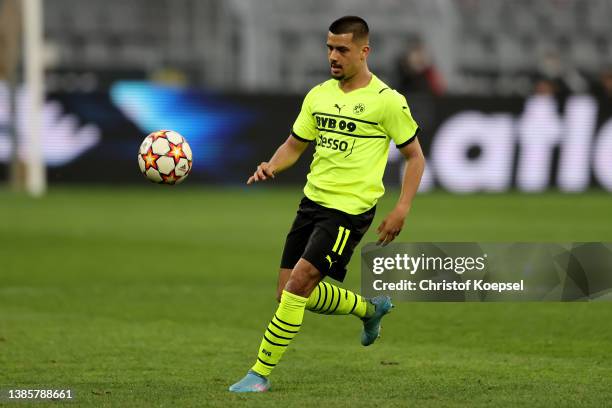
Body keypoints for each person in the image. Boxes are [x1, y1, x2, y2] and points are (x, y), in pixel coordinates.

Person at [229, 16, 425, 393]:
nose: (333, 56)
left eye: (342, 49)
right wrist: (272, 165)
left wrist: (401, 209)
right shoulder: (319, 94)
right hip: (312, 202)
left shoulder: (387, 102)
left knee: (298, 286)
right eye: (329, 48)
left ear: (364, 51)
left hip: (349, 211)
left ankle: (259, 373)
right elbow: (294, 144)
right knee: (287, 290)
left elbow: (415, 157)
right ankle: (370, 310)